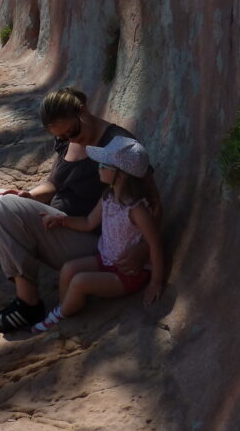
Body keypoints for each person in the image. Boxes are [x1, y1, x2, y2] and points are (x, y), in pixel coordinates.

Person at [0, 85, 162, 333]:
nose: (70, 139)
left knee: (4, 207)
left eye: (72, 131)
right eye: (62, 137)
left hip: (95, 241)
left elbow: (153, 204)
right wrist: (29, 195)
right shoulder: (67, 141)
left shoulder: (117, 147)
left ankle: (28, 304)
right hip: (64, 224)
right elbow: (54, 183)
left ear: (82, 110)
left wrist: (142, 249)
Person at [32, 136, 164, 332]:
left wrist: (156, 282)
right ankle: (67, 306)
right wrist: (63, 220)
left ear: (121, 175)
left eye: (104, 164)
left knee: (79, 282)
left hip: (127, 274)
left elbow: (155, 244)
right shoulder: (108, 197)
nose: (99, 167)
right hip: (106, 259)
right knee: (68, 269)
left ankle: (58, 315)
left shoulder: (136, 210)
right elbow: (88, 222)